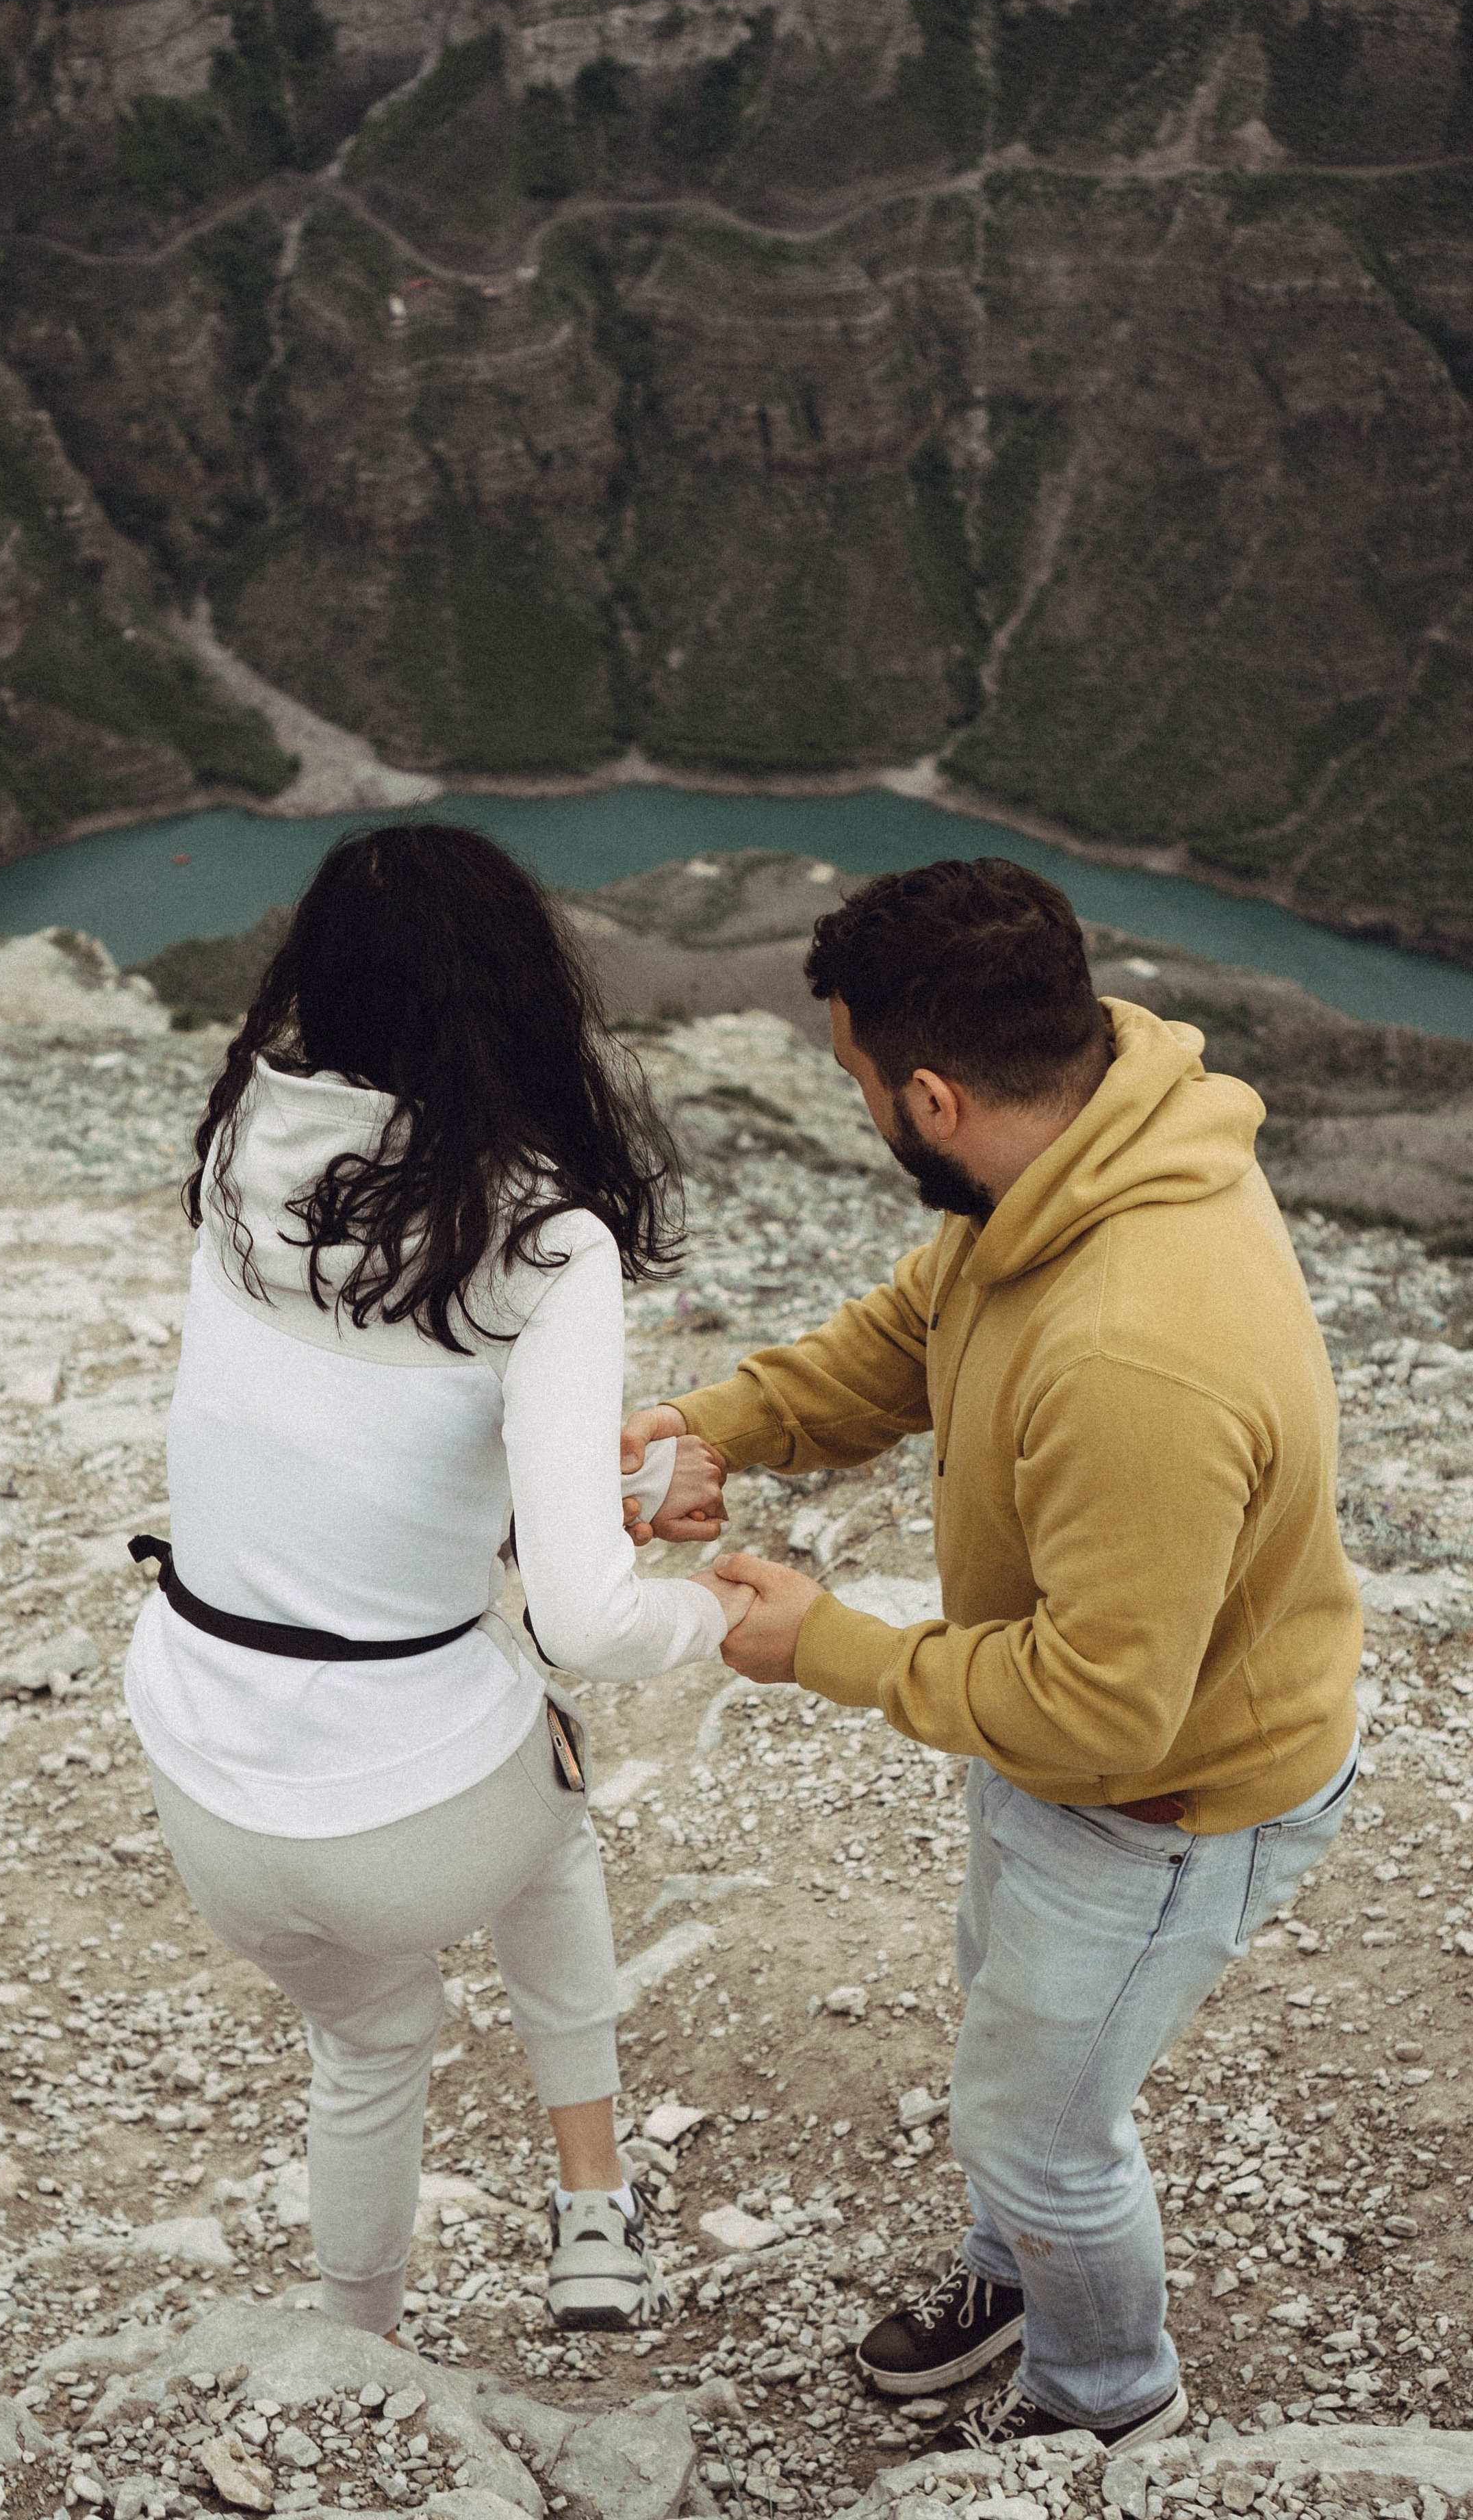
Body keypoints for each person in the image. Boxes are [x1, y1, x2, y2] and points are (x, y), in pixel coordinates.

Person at [623, 858, 1362, 2456]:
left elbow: (1103, 1714)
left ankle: (1108, 2415)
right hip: (1059, 1753)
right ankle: (1016, 2276)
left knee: (1040, 2127)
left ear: (933, 1098)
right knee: (1006, 2048)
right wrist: (710, 1428)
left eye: (860, 1083)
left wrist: (827, 1647)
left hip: (1164, 1805)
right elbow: (914, 1328)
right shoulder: (1072, 1155)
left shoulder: (1131, 1352)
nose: (859, 1109)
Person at [125, 825, 741, 2345]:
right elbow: (589, 1621)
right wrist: (718, 1603)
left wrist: (594, 1492)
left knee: (374, 2039)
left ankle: (358, 2362)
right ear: (525, 996)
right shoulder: (541, 1238)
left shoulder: (240, 1151)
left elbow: (364, 1446)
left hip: (202, 1780)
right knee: (545, 1816)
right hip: (409, 1820)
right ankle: (592, 2203)